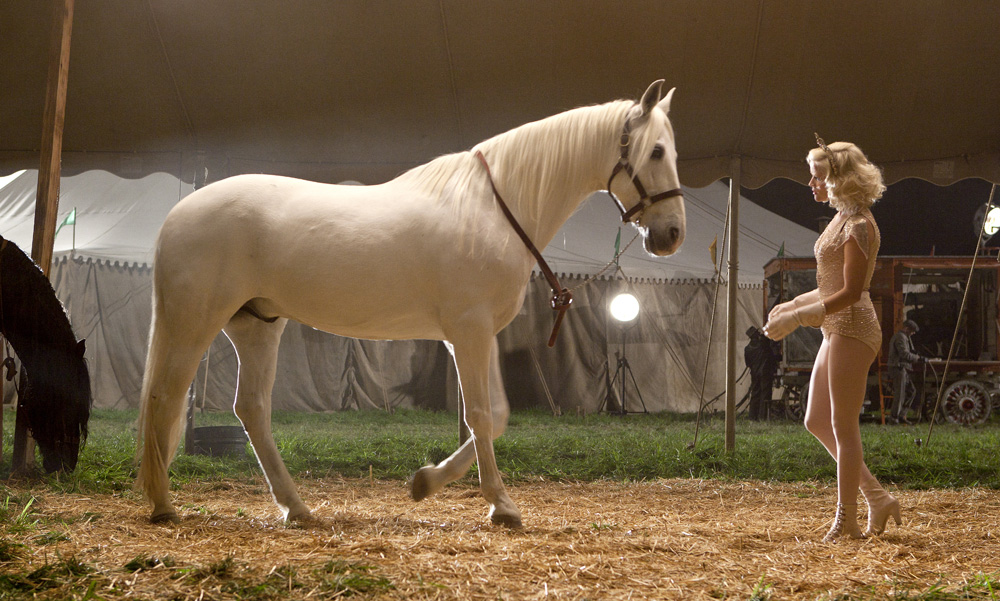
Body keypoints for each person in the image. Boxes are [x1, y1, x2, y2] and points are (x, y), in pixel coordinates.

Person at [763, 135, 901, 542]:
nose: (811, 184)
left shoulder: (859, 225)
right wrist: (789, 306)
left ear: (840, 178)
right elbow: (829, 286)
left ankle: (848, 519)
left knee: (842, 424)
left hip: (853, 326)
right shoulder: (843, 219)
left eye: (817, 176)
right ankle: (877, 498)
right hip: (837, 326)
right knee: (816, 420)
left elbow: (850, 292)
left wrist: (799, 317)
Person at [888, 320, 923, 424]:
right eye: (912, 331)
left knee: (911, 391)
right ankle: (894, 418)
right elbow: (904, 354)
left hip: (902, 368)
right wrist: (918, 358)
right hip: (897, 368)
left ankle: (902, 414)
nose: (913, 334)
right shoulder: (900, 337)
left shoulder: (904, 337)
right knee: (900, 394)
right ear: (907, 329)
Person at [744, 326, 778, 420]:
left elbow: (748, 363)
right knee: (765, 394)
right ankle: (763, 416)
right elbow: (773, 352)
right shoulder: (763, 345)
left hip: (754, 374)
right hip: (765, 373)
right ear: (755, 335)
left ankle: (752, 416)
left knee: (755, 394)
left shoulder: (747, 349)